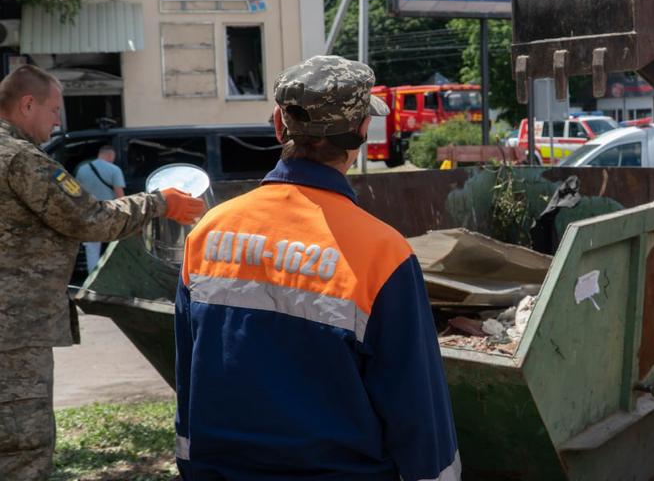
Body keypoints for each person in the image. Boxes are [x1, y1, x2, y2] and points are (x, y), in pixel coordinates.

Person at [174, 55, 460, 480]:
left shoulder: (208, 234)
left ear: (278, 125)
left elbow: (188, 379)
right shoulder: (382, 253)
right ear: (362, 131)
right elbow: (416, 406)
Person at [0, 64, 205, 480]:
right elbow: (89, 219)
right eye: (54, 110)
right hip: (14, 333)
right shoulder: (20, 159)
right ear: (26, 104)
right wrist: (159, 203)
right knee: (23, 447)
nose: (58, 121)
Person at [74, 145, 126, 271]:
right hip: (110, 213)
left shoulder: (82, 170)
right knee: (114, 246)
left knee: (92, 250)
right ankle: (115, 274)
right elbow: (120, 195)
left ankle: (93, 280)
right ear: (110, 155)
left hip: (89, 213)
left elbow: (77, 193)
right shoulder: (114, 170)